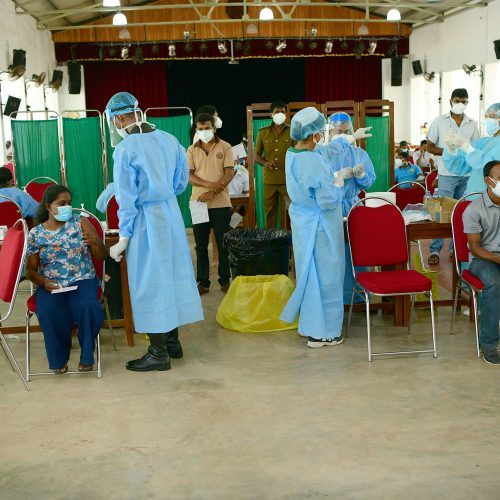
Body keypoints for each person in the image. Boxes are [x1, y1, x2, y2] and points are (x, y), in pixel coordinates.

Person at [106, 92, 203, 372]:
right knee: (171, 275)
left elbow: (127, 200)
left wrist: (123, 238)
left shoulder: (125, 150)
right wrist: (162, 195)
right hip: (170, 216)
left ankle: (158, 352)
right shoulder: (169, 140)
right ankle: (173, 342)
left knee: (149, 281)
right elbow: (181, 183)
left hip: (144, 221)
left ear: (118, 118)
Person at [279, 107, 345, 348]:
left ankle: (310, 324)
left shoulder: (293, 154)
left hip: (304, 223)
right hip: (320, 226)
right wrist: (338, 185)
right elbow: (326, 200)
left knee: (309, 274)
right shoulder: (311, 161)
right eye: (320, 132)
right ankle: (324, 332)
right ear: (314, 134)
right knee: (326, 276)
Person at [25, 185, 107, 373]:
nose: (67, 207)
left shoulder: (80, 222)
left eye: (69, 203)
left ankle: (87, 355)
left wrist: (97, 243)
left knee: (88, 305)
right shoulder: (36, 233)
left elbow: (101, 256)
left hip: (82, 279)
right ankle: (58, 359)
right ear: (49, 206)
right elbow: (30, 270)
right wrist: (43, 282)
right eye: (62, 204)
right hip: (51, 284)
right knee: (47, 309)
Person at [316, 112, 375, 305]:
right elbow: (318, 182)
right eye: (337, 132)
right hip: (330, 206)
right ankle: (335, 298)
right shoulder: (323, 153)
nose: (341, 135)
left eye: (345, 132)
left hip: (353, 206)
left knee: (356, 251)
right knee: (332, 253)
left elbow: (369, 182)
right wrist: (337, 176)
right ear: (329, 132)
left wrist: (360, 175)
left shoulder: (359, 154)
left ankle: (359, 296)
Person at [427, 88, 480, 265]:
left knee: (462, 213)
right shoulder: (439, 121)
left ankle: (455, 249)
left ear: (467, 103)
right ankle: (435, 249)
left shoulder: (472, 123)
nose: (460, 104)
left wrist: (464, 149)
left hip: (466, 174)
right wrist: (449, 151)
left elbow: (476, 148)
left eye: (464, 101)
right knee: (441, 213)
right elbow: (429, 146)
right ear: (450, 101)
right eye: (457, 100)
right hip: (447, 173)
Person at [187, 112, 235, 295]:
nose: (204, 131)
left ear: (214, 128)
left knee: (223, 244)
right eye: (200, 129)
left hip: (221, 203)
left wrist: (212, 192)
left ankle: (225, 280)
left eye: (207, 128)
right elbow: (189, 176)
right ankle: (203, 282)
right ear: (196, 130)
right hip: (198, 203)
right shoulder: (191, 150)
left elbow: (229, 174)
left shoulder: (226, 147)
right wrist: (209, 186)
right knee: (200, 246)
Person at [462, 160, 500, 364]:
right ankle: (489, 343)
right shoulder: (474, 210)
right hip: (483, 259)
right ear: (488, 180)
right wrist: (497, 258)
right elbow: (475, 248)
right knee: (494, 283)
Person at [443, 102, 500, 196]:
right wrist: (452, 150)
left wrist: (467, 147)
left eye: (492, 116)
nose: (488, 120)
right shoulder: (482, 142)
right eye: (487, 117)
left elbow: (493, 171)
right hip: (472, 197)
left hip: (491, 200)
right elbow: (459, 167)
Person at [255, 101, 295, 229]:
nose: (280, 114)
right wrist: (266, 163)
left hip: (287, 180)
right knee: (270, 212)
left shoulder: (292, 131)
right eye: (277, 112)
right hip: (269, 181)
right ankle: (270, 239)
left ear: (286, 114)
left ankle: (289, 239)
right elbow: (256, 156)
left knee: (290, 212)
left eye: (282, 112)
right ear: (271, 114)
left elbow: (298, 153)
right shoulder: (263, 132)